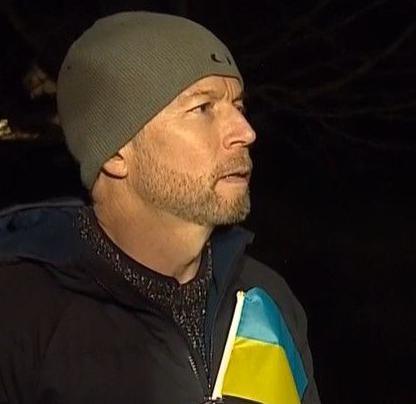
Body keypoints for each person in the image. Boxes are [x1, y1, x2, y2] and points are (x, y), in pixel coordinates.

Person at [0, 11, 320, 404]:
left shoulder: (266, 301)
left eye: (239, 106)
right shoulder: (20, 316)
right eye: (203, 108)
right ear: (117, 152)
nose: (245, 131)